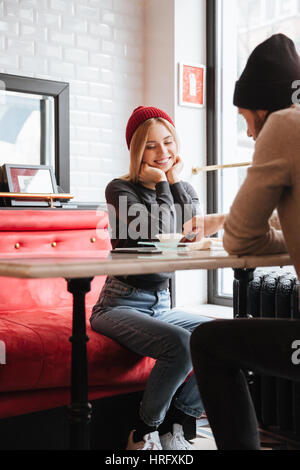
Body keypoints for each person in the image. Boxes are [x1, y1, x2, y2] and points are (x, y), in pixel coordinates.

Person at [90, 106, 225, 450]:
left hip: (161, 304)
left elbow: (191, 235)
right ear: (137, 150)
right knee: (180, 347)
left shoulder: (185, 187)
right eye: (151, 146)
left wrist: (175, 182)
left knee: (218, 338)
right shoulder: (120, 190)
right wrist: (164, 185)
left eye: (168, 142)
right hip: (118, 304)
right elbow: (162, 236)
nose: (163, 153)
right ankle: (141, 430)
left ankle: (176, 426)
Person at [190, 33, 300, 450]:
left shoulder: (284, 123)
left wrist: (252, 231)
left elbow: (242, 238)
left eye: (245, 119)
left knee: (209, 342)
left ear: (264, 109)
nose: (250, 133)